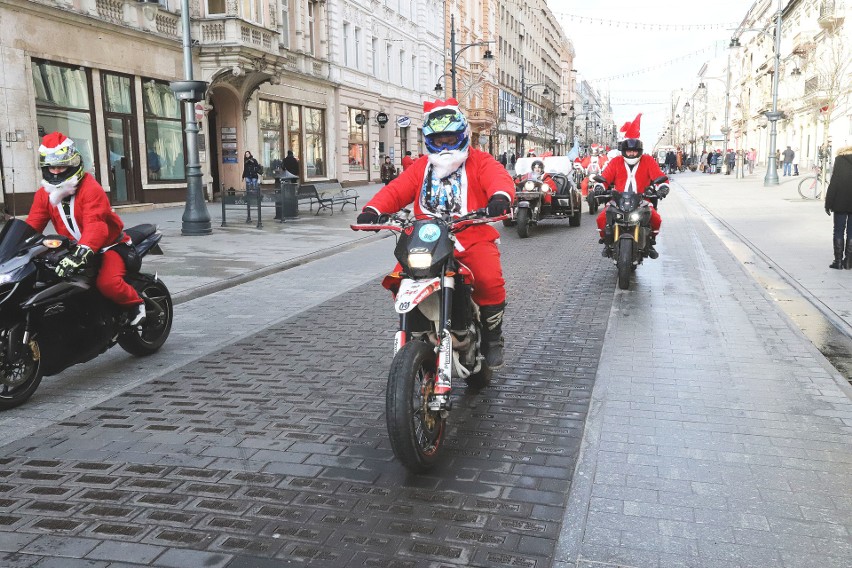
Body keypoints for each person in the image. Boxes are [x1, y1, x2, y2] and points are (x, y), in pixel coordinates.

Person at [355, 98, 514, 368]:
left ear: (462, 136)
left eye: (450, 138)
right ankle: (417, 327)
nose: (444, 145)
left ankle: (492, 337)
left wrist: (499, 197)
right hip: (426, 238)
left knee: (489, 279)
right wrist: (373, 209)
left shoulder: (480, 161)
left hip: (469, 234)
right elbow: (397, 189)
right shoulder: (421, 167)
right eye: (437, 140)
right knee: (399, 277)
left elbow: (498, 178)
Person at [26, 132, 145, 325]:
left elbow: (96, 225)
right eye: (51, 167)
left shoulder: (90, 188)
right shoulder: (44, 194)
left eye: (61, 166)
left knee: (107, 283)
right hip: (72, 249)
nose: (56, 172)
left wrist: (82, 252)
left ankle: (135, 304)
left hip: (108, 246)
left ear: (73, 164)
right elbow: (32, 224)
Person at [596, 114, 665, 259]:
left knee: (656, 219)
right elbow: (605, 176)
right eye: (629, 151)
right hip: (618, 199)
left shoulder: (648, 160)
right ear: (624, 151)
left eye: (634, 151)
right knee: (602, 218)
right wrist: (599, 186)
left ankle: (650, 241)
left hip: (642, 199)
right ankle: (607, 242)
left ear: (639, 150)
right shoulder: (616, 161)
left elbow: (658, 176)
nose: (632, 153)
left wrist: (663, 187)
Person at [824, 145, 852, 269]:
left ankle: (838, 261)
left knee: (839, 230)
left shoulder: (840, 160)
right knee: (851, 232)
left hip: (840, 201)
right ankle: (849, 262)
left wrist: (828, 203)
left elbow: (834, 182)